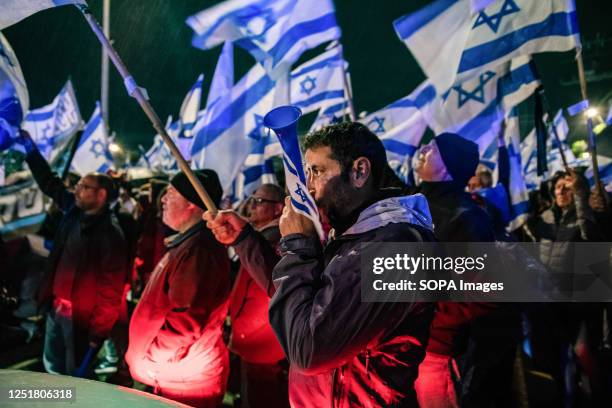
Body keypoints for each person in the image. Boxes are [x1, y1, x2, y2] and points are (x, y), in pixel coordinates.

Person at [205, 122, 436, 407]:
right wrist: (244, 239)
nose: (308, 186)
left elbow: (309, 351)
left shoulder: (394, 246)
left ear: (359, 171)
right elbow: (299, 297)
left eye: (317, 171)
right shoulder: (352, 233)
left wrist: (299, 246)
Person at [414, 133, 518, 408]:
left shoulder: (467, 216)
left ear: (447, 166)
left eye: (432, 148)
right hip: (402, 348)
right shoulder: (413, 205)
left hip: (434, 352)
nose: (422, 149)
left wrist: (429, 316)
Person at [18, 130, 129, 376]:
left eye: (84, 187)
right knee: (53, 366)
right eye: (78, 185)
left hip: (81, 320)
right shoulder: (73, 211)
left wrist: (98, 333)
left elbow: (111, 291)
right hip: (56, 309)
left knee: (73, 378)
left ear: (101, 195)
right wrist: (31, 150)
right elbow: (50, 183)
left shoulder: (111, 235)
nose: (76, 190)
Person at [125, 170, 231, 408]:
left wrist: (151, 359)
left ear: (192, 205)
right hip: (178, 374)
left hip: (185, 383)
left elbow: (185, 323)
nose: (163, 199)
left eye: (171, 194)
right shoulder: (190, 243)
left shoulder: (198, 251)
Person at [225, 184, 290, 408]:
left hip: (262, 345)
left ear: (278, 209)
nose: (252, 206)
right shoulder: (260, 237)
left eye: (259, 202)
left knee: (261, 397)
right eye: (252, 200)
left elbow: (268, 294)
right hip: (254, 342)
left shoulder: (278, 241)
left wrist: (243, 330)